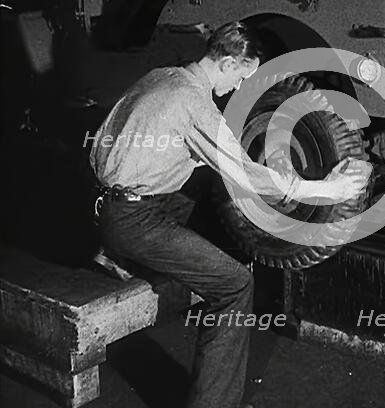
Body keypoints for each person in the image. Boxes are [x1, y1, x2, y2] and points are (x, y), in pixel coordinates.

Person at [89, 21, 369, 408]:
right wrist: (324, 190)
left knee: (211, 192)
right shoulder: (192, 102)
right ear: (227, 62)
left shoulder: (163, 76)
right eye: (241, 76)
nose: (239, 88)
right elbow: (246, 174)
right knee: (234, 286)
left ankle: (112, 252)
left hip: (112, 202)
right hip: (134, 220)